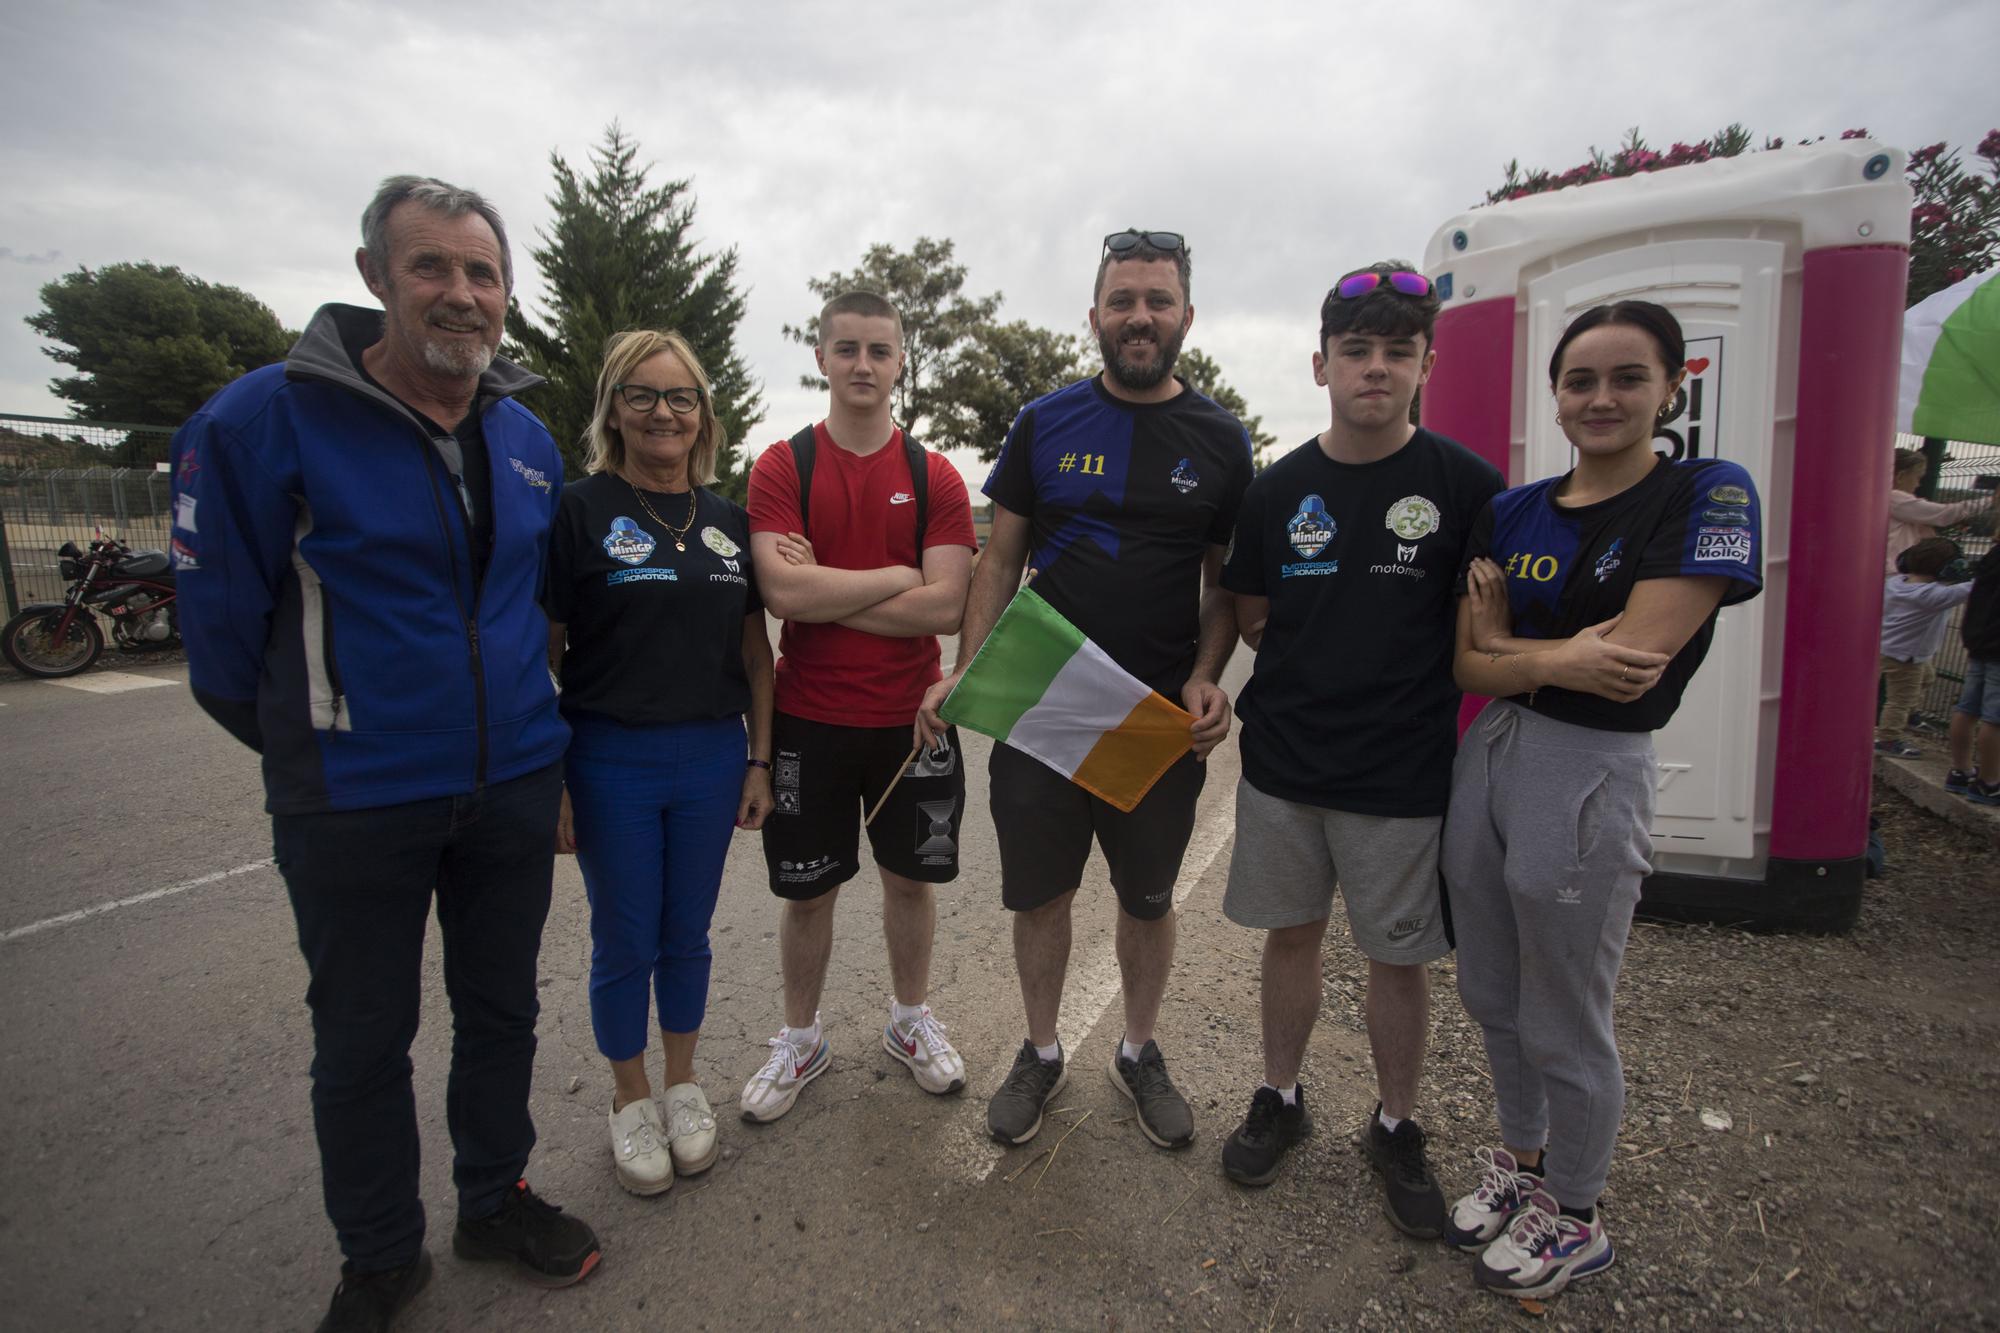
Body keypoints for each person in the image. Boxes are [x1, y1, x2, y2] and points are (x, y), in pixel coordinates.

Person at [169, 176, 599, 1332]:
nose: (460, 294)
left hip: (510, 783)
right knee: (362, 1038)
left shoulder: (525, 438)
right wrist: (324, 747)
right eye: (432, 268)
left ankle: (492, 1198)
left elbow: (535, 608)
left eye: (482, 273)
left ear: (505, 296)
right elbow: (217, 643)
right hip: (352, 798)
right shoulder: (260, 419)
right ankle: (378, 1256)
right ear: (374, 279)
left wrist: (533, 748)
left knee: (501, 1009)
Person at [1441, 300, 1762, 1300]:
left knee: (1564, 1011)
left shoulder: (1705, 492)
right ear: (1555, 393)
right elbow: (1463, 663)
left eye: (1627, 377)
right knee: (1488, 988)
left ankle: (1574, 1214)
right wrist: (1548, 657)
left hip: (1588, 766)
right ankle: (1524, 1164)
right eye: (1579, 380)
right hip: (1488, 755)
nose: (1601, 398)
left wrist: (1516, 652)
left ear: (1673, 385)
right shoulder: (1512, 510)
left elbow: (1630, 663)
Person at [918, 229, 1253, 1151]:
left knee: (1147, 900)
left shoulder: (1223, 440)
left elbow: (1223, 586)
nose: (1139, 317)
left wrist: (1203, 678)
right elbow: (999, 557)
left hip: (1153, 719)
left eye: (1157, 300)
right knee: (1042, 896)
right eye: (1122, 301)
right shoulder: (1044, 421)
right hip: (1044, 705)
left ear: (1186, 315)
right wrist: (967, 667)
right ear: (1095, 316)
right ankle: (1040, 1047)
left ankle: (1139, 1051)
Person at [1215, 264, 1503, 1232]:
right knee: (1288, 937)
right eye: (1354, 351)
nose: (1373, 369)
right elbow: (1252, 617)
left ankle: (1394, 1122)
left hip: (1402, 775)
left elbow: (1482, 631)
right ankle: (1280, 1097)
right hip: (1285, 766)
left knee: (1395, 958)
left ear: (1426, 363)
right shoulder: (1277, 489)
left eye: (1394, 351)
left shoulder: (1466, 488)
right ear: (1319, 364)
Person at [544, 329, 774, 1194]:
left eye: (680, 397)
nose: (662, 412)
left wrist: (758, 761)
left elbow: (759, 657)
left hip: (713, 757)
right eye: (640, 394)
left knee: (686, 935)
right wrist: (556, 773)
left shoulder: (728, 522)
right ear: (612, 408)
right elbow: (545, 650)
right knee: (624, 937)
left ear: (704, 415)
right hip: (609, 758)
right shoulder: (578, 510)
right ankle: (629, 1095)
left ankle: (682, 1084)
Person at [739, 291, 978, 1122]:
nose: (864, 366)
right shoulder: (782, 466)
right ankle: (800, 1037)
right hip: (809, 719)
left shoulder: (934, 474)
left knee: (910, 882)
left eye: (880, 350)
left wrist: (822, 592)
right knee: (807, 892)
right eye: (848, 349)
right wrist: (897, 576)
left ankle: (909, 1020)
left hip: (913, 722)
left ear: (902, 359)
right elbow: (778, 589)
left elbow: (949, 607)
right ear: (821, 357)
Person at [1875, 537, 1974, 758]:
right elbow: (1971, 588)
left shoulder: (1896, 583)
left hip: (1897, 650)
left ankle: (1909, 715)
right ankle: (1888, 739)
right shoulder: (1931, 595)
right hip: (1906, 657)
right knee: (1899, 699)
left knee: (1927, 677)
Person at [1946, 540, 2000, 804]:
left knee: (1967, 708)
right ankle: (1989, 783)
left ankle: (1961, 770)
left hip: (1979, 642)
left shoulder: (1992, 556)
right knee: (1995, 718)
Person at [1886, 447, 1996, 575]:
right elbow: (1945, 514)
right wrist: (1990, 501)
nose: (1918, 485)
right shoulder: (1895, 498)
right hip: (1893, 570)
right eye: (1918, 478)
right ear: (1900, 476)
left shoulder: (1886, 501)